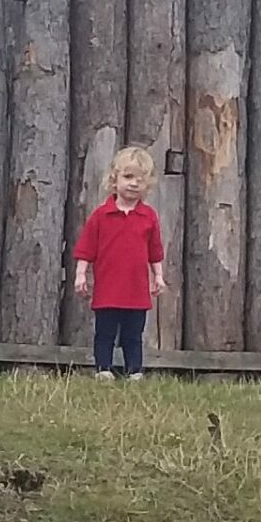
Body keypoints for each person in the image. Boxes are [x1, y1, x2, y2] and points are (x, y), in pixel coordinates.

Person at [72, 146, 166, 381]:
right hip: (108, 289)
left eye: (140, 179)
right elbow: (86, 248)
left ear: (148, 184)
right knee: (105, 333)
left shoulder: (148, 216)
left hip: (136, 290)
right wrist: (80, 274)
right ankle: (103, 369)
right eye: (128, 177)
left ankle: (135, 371)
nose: (133, 184)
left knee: (133, 334)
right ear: (114, 180)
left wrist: (159, 277)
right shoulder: (101, 215)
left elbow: (155, 251)